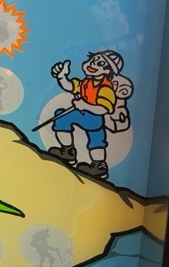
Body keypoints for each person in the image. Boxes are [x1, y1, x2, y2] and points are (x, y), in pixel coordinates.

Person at [47, 50, 132, 180]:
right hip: (81, 113)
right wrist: (62, 76)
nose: (93, 64)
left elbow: (104, 108)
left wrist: (85, 105)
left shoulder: (105, 88)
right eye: (93, 60)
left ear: (107, 71)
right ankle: (68, 151)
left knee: (96, 141)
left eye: (101, 63)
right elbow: (70, 86)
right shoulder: (87, 82)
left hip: (94, 119)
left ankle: (99, 166)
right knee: (62, 118)